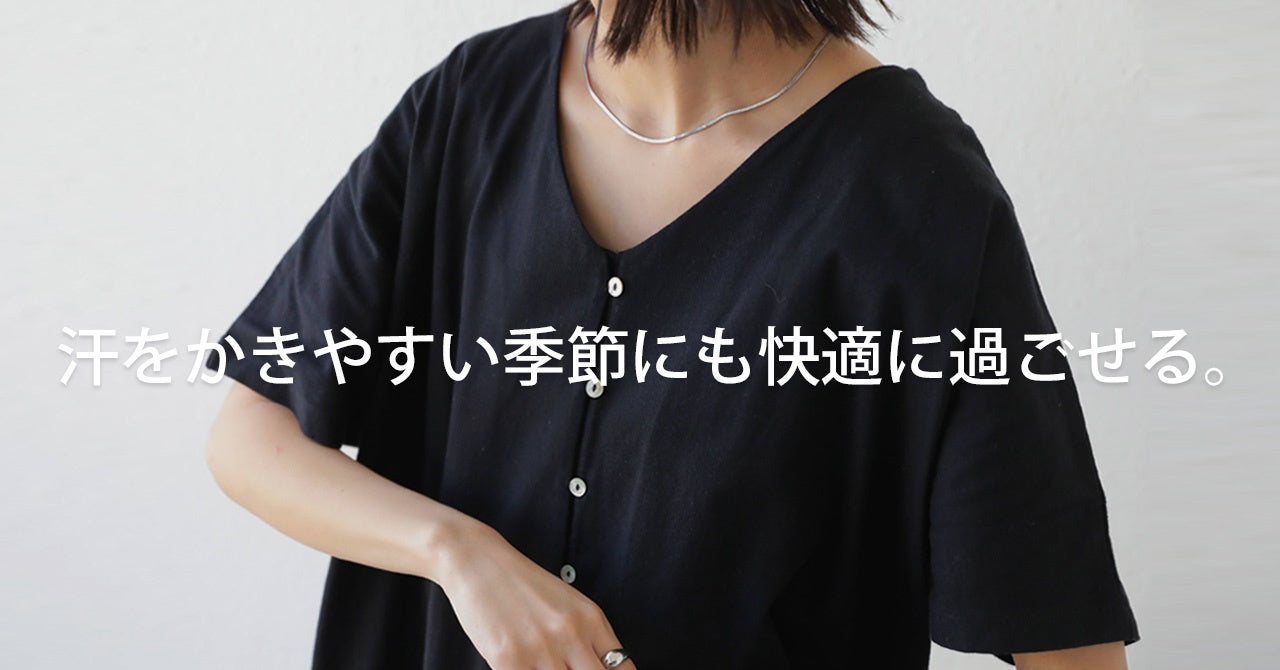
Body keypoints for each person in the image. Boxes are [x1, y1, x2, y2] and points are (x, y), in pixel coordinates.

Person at [203, 1, 1140, 668]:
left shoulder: (913, 192)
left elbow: (1062, 627)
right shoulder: (469, 105)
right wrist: (459, 553)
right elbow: (251, 434)